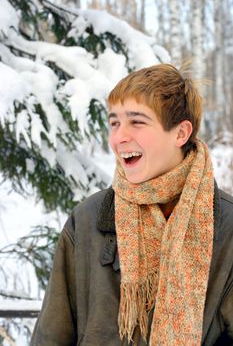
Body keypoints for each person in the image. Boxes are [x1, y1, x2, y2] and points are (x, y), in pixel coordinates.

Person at [31, 64, 233, 346]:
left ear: (180, 133)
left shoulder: (227, 225)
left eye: (136, 122)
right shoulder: (89, 219)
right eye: (114, 123)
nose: (118, 138)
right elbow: (50, 337)